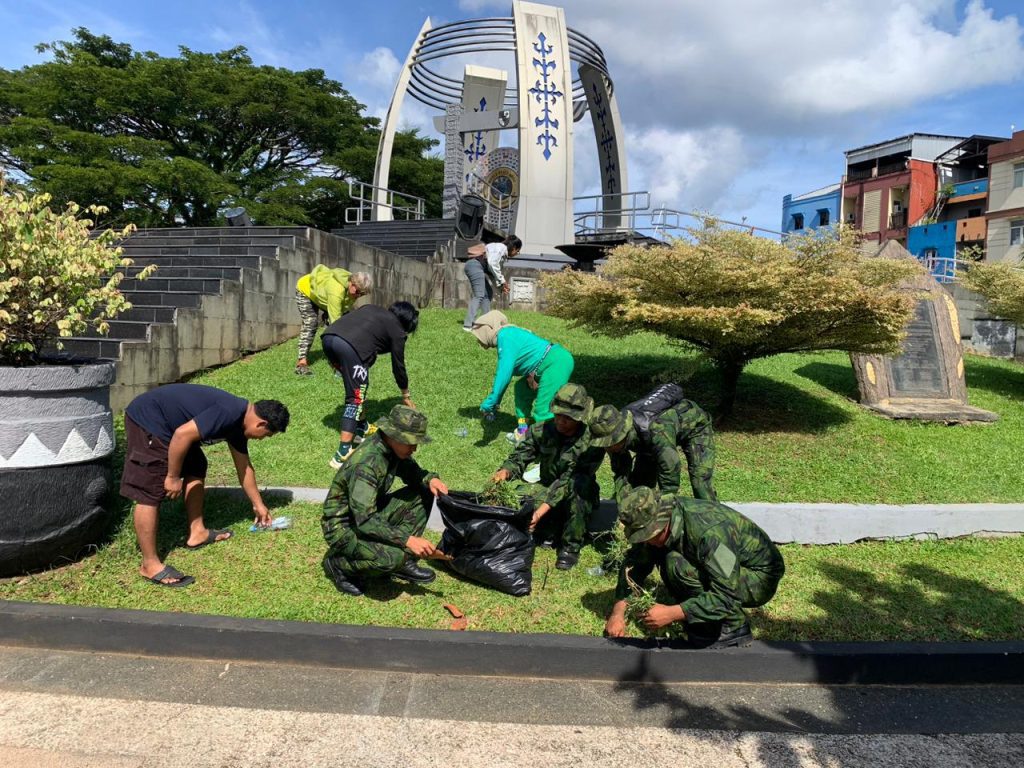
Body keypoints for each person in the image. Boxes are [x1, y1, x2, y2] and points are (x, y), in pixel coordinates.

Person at [120, 384, 290, 588]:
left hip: (171, 427)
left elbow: (244, 467)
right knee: (150, 489)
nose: (262, 439)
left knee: (196, 464)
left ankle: (197, 532)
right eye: (266, 435)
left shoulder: (239, 424)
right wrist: (173, 477)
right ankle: (150, 564)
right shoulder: (229, 412)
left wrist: (258, 505)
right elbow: (182, 435)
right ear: (261, 424)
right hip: (149, 420)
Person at [605, 487, 785, 648]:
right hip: (729, 567)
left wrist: (672, 613)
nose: (645, 541)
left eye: (646, 535)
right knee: (668, 557)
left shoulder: (710, 533)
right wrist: (618, 612)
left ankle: (732, 625)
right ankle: (703, 614)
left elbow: (726, 594)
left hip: (759, 577)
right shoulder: (662, 520)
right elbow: (635, 563)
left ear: (660, 524)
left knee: (677, 566)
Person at [321, 405, 449, 596]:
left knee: (424, 491)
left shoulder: (391, 448)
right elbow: (364, 521)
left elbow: (412, 472)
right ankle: (339, 565)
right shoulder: (367, 465)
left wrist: (431, 479)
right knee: (390, 558)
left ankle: (402, 560)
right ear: (394, 435)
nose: (414, 448)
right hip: (344, 527)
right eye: (411, 442)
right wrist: (407, 540)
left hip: (367, 514)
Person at [490, 383, 603, 571]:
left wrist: (539, 512)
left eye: (567, 418)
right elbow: (520, 457)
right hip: (545, 488)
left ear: (580, 417)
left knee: (580, 487)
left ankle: (570, 547)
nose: (561, 421)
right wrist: (506, 471)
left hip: (574, 493)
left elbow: (568, 481)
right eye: (558, 415)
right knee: (515, 497)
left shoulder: (591, 442)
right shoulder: (541, 430)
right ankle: (547, 529)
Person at [321, 301, 419, 468]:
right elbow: (398, 366)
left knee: (359, 385)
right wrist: (405, 395)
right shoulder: (397, 330)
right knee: (355, 398)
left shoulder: (372, 308)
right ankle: (342, 454)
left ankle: (362, 428)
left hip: (328, 338)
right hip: (348, 347)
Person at [471, 309, 575, 441]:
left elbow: (503, 375)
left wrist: (490, 403)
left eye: (479, 333)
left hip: (557, 362)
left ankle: (547, 450)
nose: (478, 339)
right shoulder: (508, 334)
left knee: (543, 410)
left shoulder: (506, 335)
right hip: (543, 366)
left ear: (488, 328)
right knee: (521, 389)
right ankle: (522, 430)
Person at [589, 396, 717, 503]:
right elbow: (621, 472)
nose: (607, 448)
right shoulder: (613, 431)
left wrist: (664, 511)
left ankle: (715, 523)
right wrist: (623, 504)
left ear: (621, 435)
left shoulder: (656, 431)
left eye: (610, 443)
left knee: (700, 483)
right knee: (640, 486)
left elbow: (670, 475)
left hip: (695, 428)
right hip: (651, 442)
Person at [294, 265, 373, 376]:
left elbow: (343, 313)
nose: (359, 296)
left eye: (362, 294)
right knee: (311, 323)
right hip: (306, 290)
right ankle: (301, 363)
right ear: (352, 284)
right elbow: (336, 324)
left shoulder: (352, 288)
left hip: (324, 295)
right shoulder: (336, 291)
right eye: (358, 292)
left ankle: (337, 359)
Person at [462, 235, 522, 331]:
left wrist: (501, 287)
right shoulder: (500, 248)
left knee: (488, 293)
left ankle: (486, 323)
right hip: (474, 265)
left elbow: (494, 274)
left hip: (476, 267)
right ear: (514, 248)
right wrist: (502, 281)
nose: (517, 254)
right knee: (479, 295)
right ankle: (468, 325)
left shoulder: (502, 253)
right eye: (518, 251)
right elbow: (492, 264)